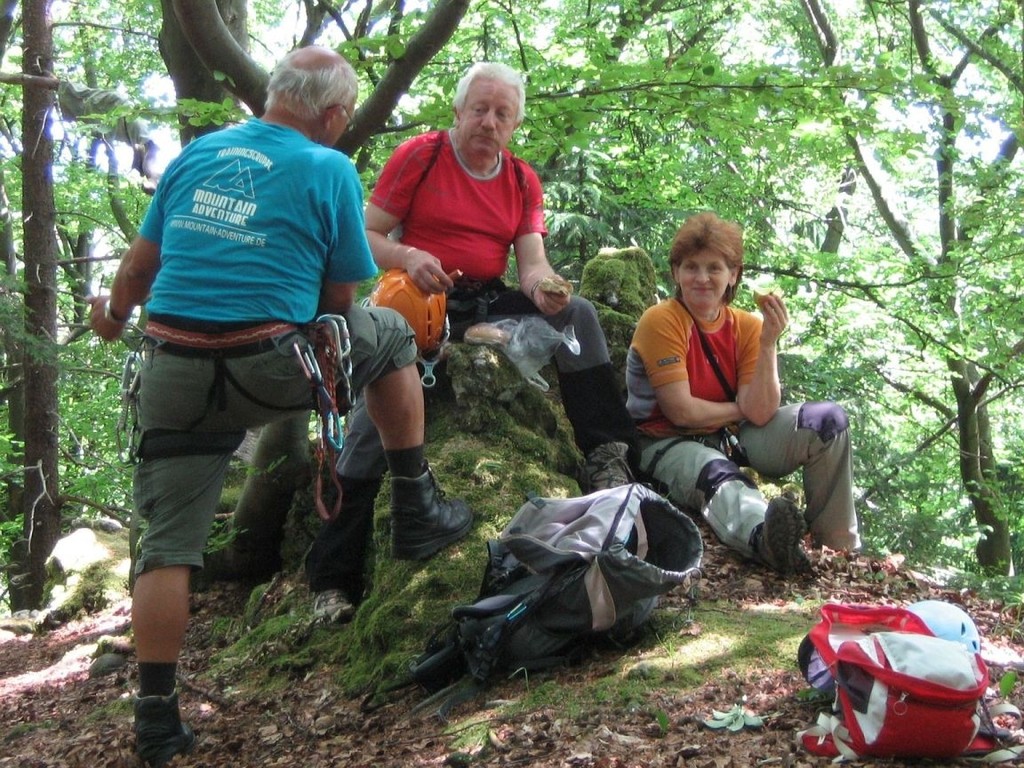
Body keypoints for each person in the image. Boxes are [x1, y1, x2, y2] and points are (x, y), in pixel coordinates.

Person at [88, 46, 472, 768]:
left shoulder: (195, 158)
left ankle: (155, 717)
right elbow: (337, 305)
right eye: (344, 114)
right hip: (273, 366)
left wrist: (110, 316)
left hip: (173, 370)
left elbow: (140, 271)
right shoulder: (328, 167)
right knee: (390, 333)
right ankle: (416, 507)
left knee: (168, 546)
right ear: (330, 115)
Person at [304, 61, 638, 623]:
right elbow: (367, 233)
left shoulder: (521, 179)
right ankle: (331, 581)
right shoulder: (422, 156)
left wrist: (546, 290)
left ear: (514, 125)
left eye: (501, 113)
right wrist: (411, 256)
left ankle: (608, 456)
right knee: (368, 422)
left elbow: (531, 263)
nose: (488, 121)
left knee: (578, 316)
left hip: (484, 301)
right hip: (413, 302)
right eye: (479, 109)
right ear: (458, 113)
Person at [625, 212, 860, 574]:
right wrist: (740, 409)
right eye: (691, 267)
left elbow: (762, 412)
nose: (702, 278)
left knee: (827, 423)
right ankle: (764, 538)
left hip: (729, 437)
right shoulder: (662, 320)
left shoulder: (747, 326)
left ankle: (839, 551)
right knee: (716, 471)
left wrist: (768, 344)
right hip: (664, 442)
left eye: (714, 268)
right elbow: (681, 412)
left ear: (733, 274)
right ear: (676, 272)